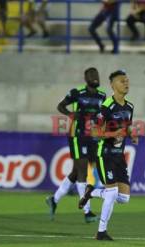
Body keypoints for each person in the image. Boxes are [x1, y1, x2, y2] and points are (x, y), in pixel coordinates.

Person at [78, 70, 138, 240]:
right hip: (105, 154)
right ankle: (101, 232)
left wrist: (132, 134)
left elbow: (128, 126)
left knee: (124, 198)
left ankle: (92, 192)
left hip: (119, 156)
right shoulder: (106, 106)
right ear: (112, 85)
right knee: (111, 193)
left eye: (127, 80)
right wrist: (113, 134)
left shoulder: (130, 107)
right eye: (121, 81)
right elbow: (95, 131)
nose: (126, 83)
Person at [46, 67, 106, 223]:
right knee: (83, 172)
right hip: (77, 136)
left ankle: (54, 200)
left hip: (92, 137)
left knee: (75, 172)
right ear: (86, 79)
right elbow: (61, 106)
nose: (95, 77)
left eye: (97, 74)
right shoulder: (77, 93)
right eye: (91, 75)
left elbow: (102, 116)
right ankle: (87, 212)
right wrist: (70, 114)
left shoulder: (102, 96)